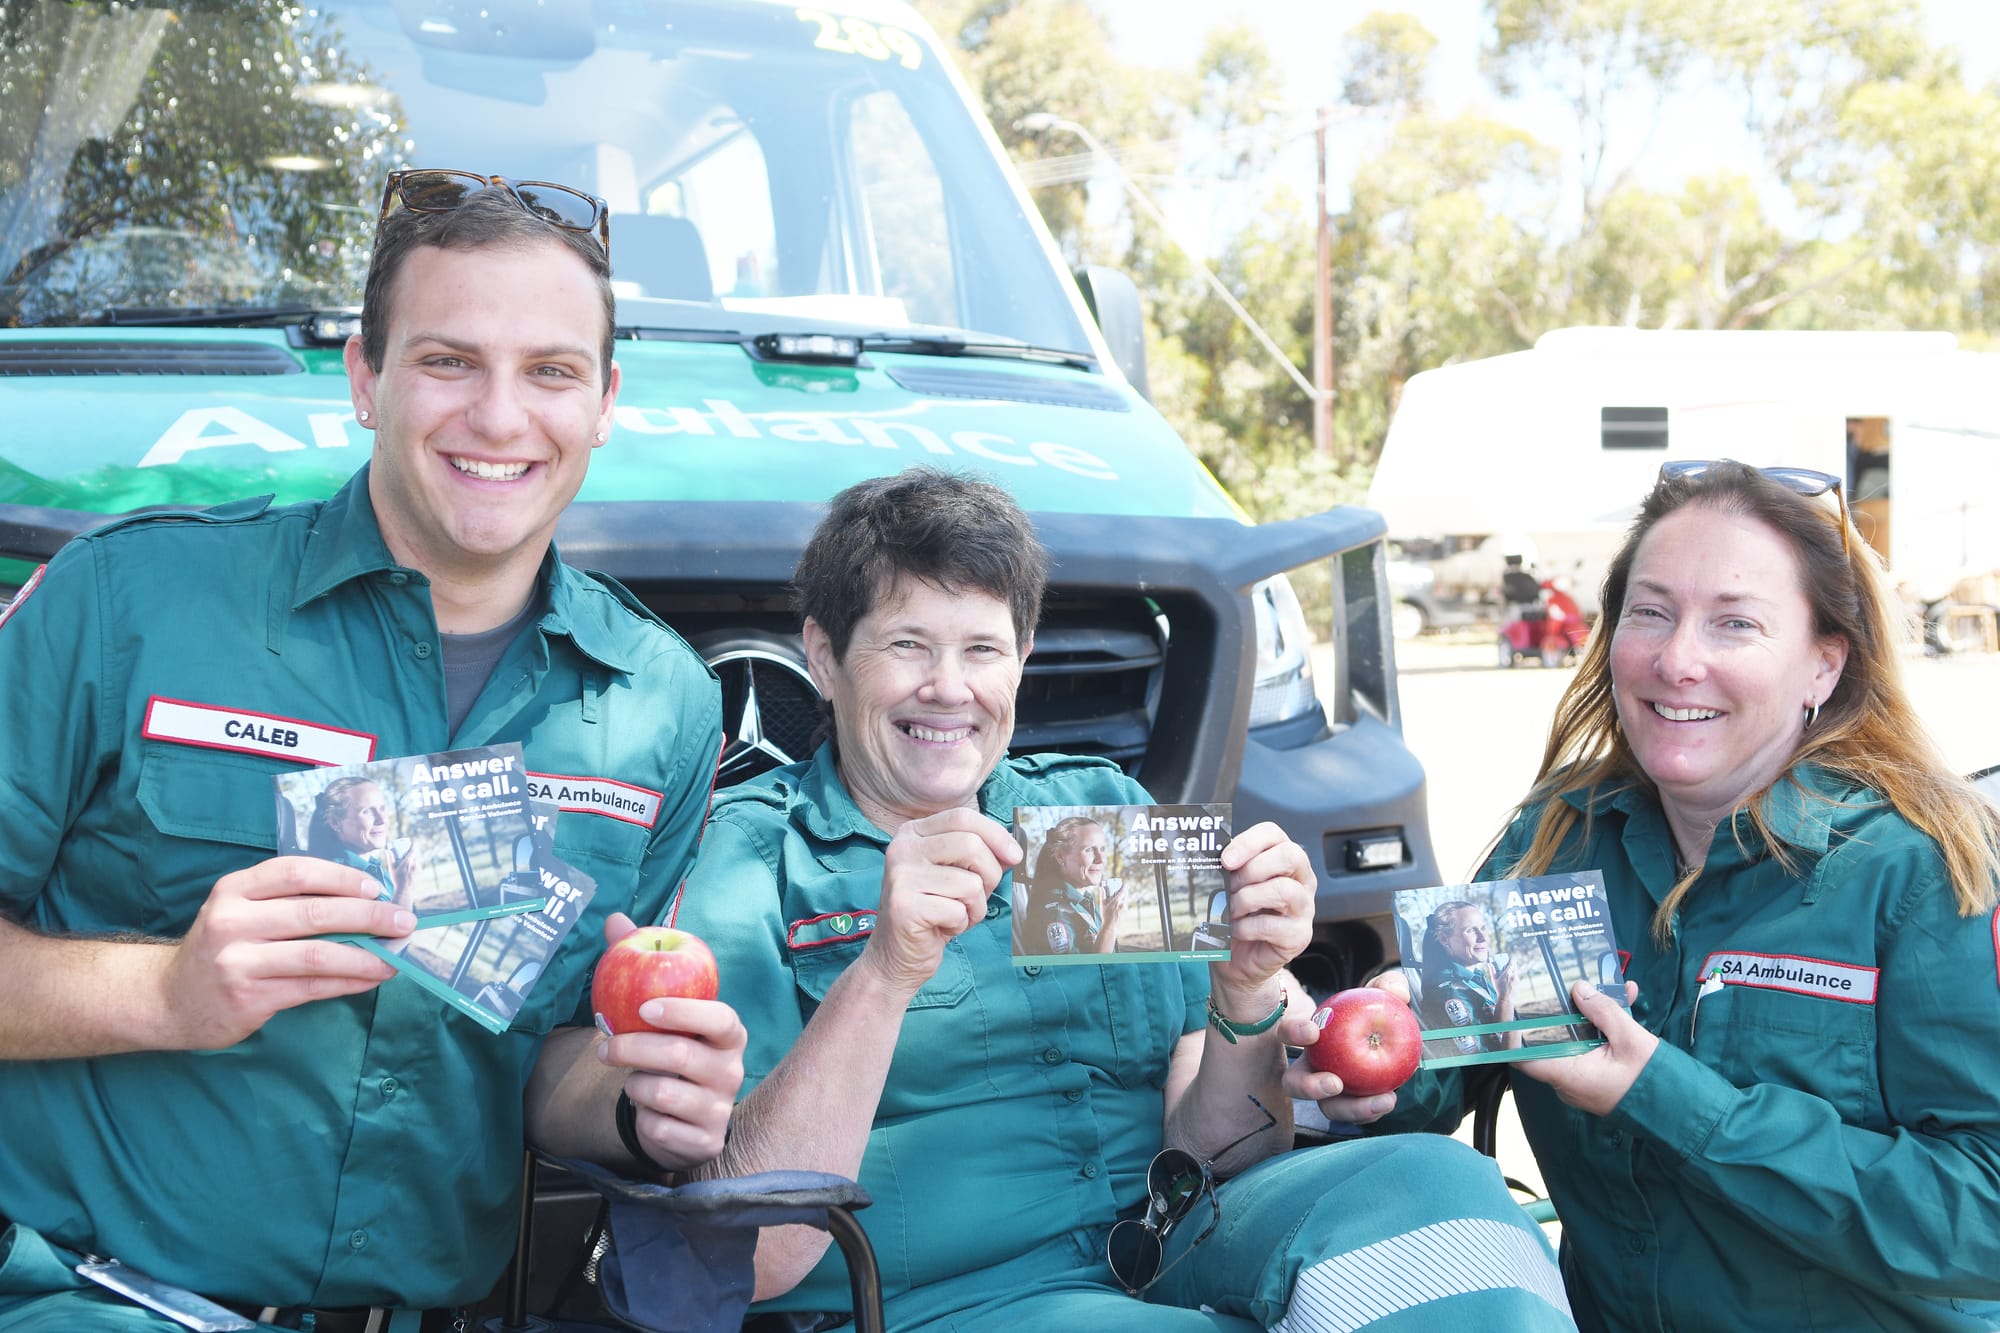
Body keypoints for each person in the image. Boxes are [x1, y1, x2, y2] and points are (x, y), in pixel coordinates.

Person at [0, 172, 744, 1330]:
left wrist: (638, 1099)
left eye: (550, 371)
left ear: (603, 402)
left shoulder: (661, 702)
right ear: (365, 378)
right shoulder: (125, 604)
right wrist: (164, 992)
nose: (500, 416)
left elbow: (542, 1064)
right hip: (95, 1299)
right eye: (449, 361)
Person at [667, 467, 1576, 1331]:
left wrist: (1245, 992)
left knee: (1444, 1186)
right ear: (824, 657)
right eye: (908, 645)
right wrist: (883, 973)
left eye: (982, 649)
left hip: (1175, 1243)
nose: (949, 687)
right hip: (947, 1300)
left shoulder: (1095, 811)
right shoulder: (752, 859)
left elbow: (1221, 1152)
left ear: (1022, 658)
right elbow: (753, 1251)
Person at [1291, 459, 2000, 1331]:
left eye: (1735, 623)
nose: (1677, 660)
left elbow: (1986, 1218)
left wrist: (1668, 1095)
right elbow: (1451, 1064)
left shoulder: (1927, 867)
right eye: (1652, 613)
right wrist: (1375, 1059)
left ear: (1824, 664)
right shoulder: (1558, 833)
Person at [1416, 898, 1519, 1054]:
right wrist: (1507, 998)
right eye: (1470, 930)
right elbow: (1504, 1058)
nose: (1483, 937)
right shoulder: (1451, 991)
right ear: (1444, 939)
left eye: (1483, 928)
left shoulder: (1476, 977)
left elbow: (1494, 1030)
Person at [1018, 813, 1124, 954]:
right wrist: (1110, 925)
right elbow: (1082, 968)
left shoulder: (1086, 901)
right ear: (1060, 857)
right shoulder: (1056, 912)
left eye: (1102, 849)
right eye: (1089, 850)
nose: (1101, 859)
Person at [307, 776, 416, 906]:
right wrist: (404, 890)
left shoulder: (376, 868)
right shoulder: (335, 879)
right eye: (367, 811)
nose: (381, 820)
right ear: (335, 822)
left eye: (382, 809)